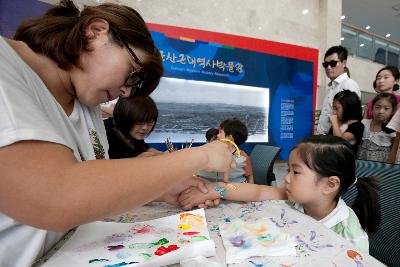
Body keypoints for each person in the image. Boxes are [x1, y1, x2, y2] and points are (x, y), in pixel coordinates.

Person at [0, 2, 234, 266]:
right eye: (133, 76)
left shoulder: (86, 103)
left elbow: (91, 189)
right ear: (97, 31)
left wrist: (158, 189)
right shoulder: (6, 66)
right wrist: (199, 156)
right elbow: (54, 197)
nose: (126, 92)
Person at [179, 135, 381, 252]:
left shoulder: (349, 236)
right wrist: (215, 189)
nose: (286, 177)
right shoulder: (296, 198)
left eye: (296, 172)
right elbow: (256, 191)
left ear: (329, 185)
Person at [316, 45, 360, 135]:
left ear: (344, 63)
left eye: (333, 63)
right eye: (325, 64)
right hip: (324, 139)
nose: (328, 67)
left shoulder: (349, 85)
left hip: (336, 140)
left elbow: (351, 120)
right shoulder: (331, 87)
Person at [198, 118, 254, 184]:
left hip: (234, 190)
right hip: (210, 188)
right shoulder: (210, 153)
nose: (217, 135)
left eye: (220, 132)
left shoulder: (243, 157)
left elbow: (249, 175)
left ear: (229, 138)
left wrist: (250, 192)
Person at [358, 93, 397, 162]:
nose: (381, 111)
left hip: (380, 166)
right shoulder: (364, 123)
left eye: (386, 108)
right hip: (361, 161)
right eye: (377, 107)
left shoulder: (392, 130)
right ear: (372, 108)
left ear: (392, 111)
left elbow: (394, 150)